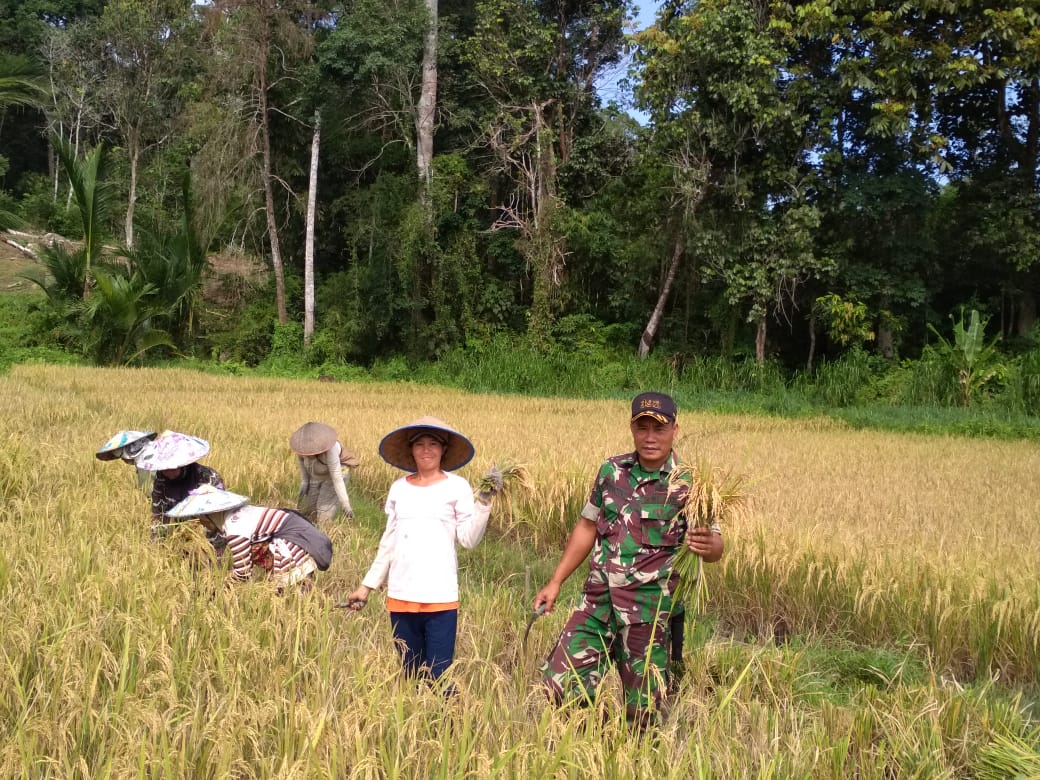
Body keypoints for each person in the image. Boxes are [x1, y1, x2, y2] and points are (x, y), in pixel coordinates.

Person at [533, 392, 723, 728]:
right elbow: (587, 526)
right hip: (597, 604)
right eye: (643, 427)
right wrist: (556, 581)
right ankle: (584, 746)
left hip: (649, 616)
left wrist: (710, 548)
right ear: (632, 428)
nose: (650, 437)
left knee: (644, 715)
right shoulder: (611, 470)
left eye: (659, 429)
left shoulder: (691, 484)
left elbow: (715, 545)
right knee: (558, 688)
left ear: (675, 429)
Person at [347, 416, 502, 684]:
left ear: (443, 450)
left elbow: (468, 539)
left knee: (440, 676)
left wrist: (484, 503)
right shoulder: (398, 489)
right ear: (411, 450)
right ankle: (417, 724)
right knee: (411, 674)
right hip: (401, 595)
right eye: (420, 444)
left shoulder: (457, 487)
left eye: (433, 444)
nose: (427, 450)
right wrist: (366, 586)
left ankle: (447, 725)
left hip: (440, 597)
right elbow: (389, 542)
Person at [166, 485, 332, 593]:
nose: (201, 523)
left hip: (292, 543)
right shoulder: (234, 514)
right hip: (296, 536)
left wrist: (217, 589)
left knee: (292, 597)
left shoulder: (235, 527)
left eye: (200, 518)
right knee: (290, 595)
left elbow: (243, 572)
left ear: (209, 514)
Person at [135, 431, 225, 540]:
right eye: (164, 469)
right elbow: (158, 513)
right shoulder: (161, 478)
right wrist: (156, 541)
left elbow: (217, 519)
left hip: (207, 534)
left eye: (172, 468)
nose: (168, 472)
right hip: (177, 535)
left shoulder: (208, 478)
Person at [289, 422, 356, 523]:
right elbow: (302, 464)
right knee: (309, 511)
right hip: (317, 474)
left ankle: (325, 530)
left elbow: (337, 478)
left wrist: (346, 505)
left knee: (323, 513)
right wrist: (305, 482)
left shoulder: (331, 450)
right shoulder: (301, 446)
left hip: (336, 474)